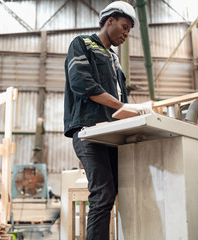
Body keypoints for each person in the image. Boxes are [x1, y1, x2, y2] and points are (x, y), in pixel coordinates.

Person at [63, 1, 140, 239]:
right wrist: (124, 107)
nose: (126, 34)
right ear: (110, 21)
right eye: (124, 27)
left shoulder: (115, 60)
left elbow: (120, 95)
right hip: (89, 130)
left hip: (113, 133)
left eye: (129, 30)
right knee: (103, 194)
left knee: (119, 193)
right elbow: (82, 84)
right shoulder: (83, 43)